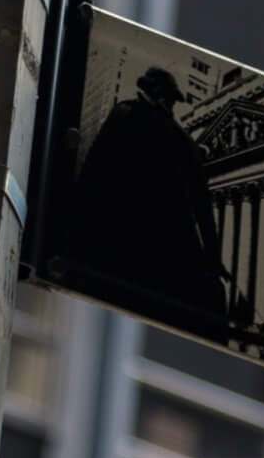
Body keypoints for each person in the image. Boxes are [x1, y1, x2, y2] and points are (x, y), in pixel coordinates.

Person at [59, 66, 236, 325]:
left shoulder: (125, 115)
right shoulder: (181, 141)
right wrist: (213, 260)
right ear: (166, 99)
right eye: (171, 100)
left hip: (114, 243)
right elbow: (203, 208)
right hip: (154, 252)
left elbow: (93, 173)